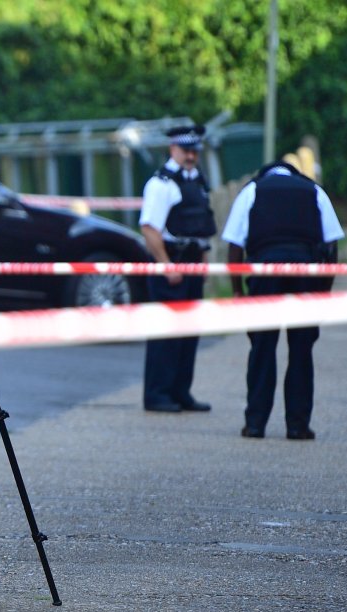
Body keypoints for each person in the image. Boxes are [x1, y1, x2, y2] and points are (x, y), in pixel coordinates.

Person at [221, 159, 344, 440]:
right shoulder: (314, 191)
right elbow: (332, 244)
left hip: (265, 276)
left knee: (262, 349)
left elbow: (234, 245)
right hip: (305, 275)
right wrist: (324, 291)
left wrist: (238, 291)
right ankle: (298, 425)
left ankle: (255, 424)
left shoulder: (252, 191)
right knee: (301, 350)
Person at [139, 124, 215, 413]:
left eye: (195, 151)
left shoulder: (197, 181)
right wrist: (165, 265)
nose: (191, 156)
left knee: (189, 331)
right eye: (186, 151)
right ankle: (157, 394)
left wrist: (204, 262)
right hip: (170, 260)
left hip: (193, 259)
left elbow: (200, 226)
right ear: (173, 149)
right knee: (166, 331)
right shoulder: (161, 184)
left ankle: (181, 392)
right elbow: (149, 229)